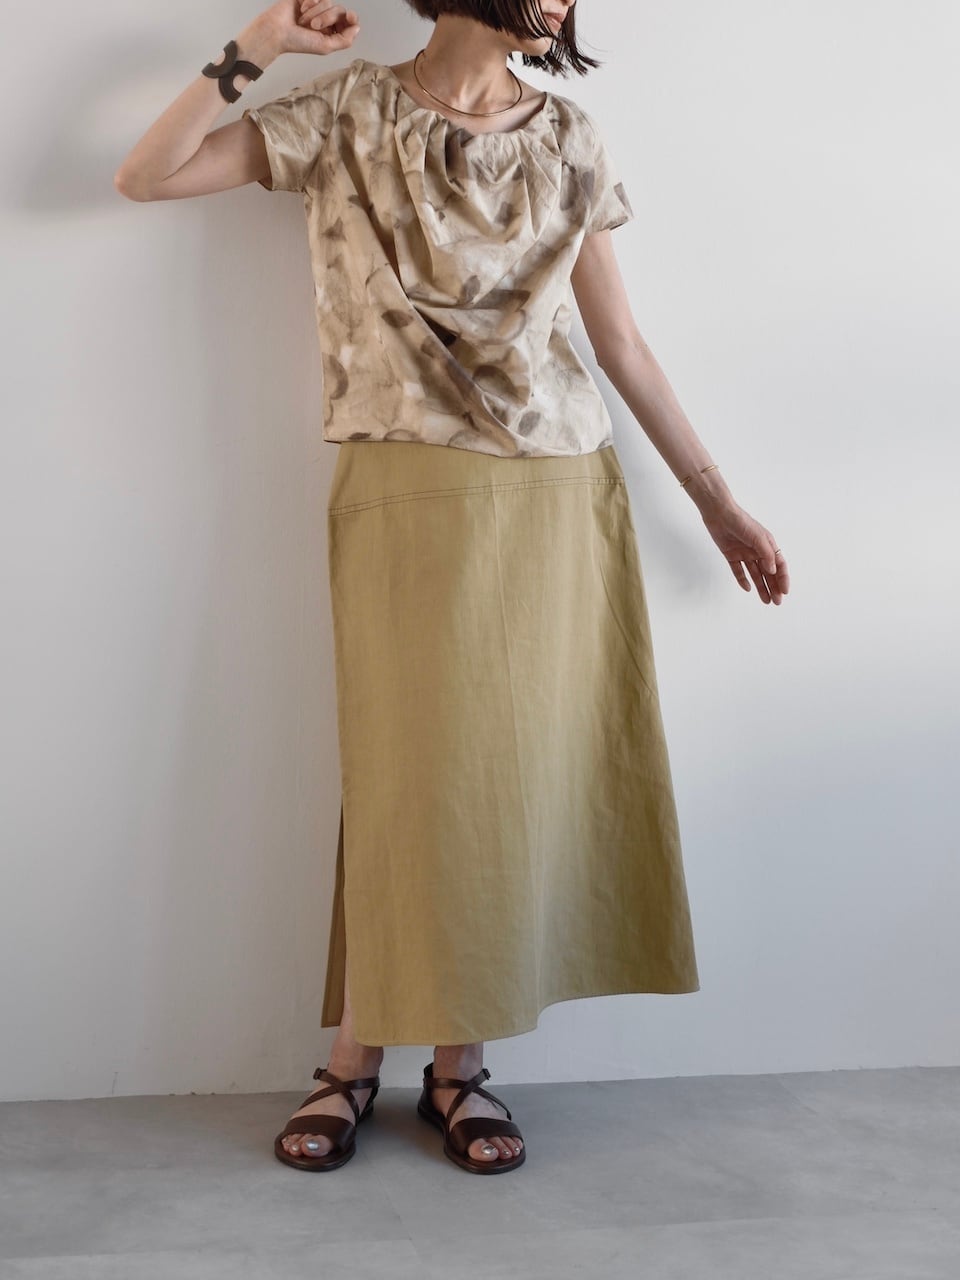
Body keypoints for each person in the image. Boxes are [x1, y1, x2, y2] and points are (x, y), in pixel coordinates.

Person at [115, 0, 790, 1177]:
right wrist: (262, 42)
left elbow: (621, 344)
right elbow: (145, 175)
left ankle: (451, 1066)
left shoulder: (569, 135)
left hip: (556, 483)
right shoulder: (348, 110)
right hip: (408, 476)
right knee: (411, 769)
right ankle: (357, 1051)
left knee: (503, 778)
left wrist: (715, 497)